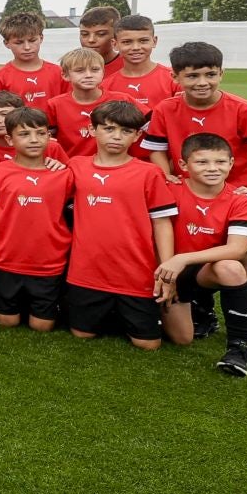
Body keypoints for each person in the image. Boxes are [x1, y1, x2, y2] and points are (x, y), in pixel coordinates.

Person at [142, 42, 247, 350]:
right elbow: (155, 150)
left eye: (210, 74)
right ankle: (201, 311)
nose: (202, 82)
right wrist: (165, 173)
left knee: (242, 255)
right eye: (192, 75)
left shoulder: (241, 108)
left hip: (238, 195)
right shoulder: (167, 109)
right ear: (176, 77)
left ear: (222, 73)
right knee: (191, 245)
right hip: (191, 192)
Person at [63, 101, 178, 351]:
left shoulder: (149, 173)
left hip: (135, 272)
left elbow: (162, 222)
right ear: (92, 130)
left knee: (148, 344)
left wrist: (166, 271)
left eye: (126, 131)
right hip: (86, 272)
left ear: (137, 135)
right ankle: (109, 311)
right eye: (109, 129)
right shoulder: (76, 166)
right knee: (82, 334)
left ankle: (123, 311)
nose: (117, 137)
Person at [156, 133, 247, 376]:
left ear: (231, 163)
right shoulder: (168, 189)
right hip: (165, 270)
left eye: (220, 162)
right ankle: (198, 309)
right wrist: (168, 268)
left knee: (231, 267)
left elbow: (237, 249)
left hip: (199, 270)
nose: (213, 168)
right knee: (182, 338)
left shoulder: (242, 199)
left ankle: (239, 348)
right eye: (202, 162)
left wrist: (182, 258)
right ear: (184, 165)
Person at [0, 107, 72, 332]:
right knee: (6, 321)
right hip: (5, 260)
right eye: (24, 134)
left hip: (49, 263)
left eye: (40, 133)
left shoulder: (65, 175)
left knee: (42, 326)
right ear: (9, 138)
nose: (34, 140)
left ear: (49, 136)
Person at [0, 11, 66, 106]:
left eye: (32, 40)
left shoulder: (59, 73)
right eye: (19, 43)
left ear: (41, 38)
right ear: (6, 43)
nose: (27, 47)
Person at [45, 48, 109, 158]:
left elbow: (147, 126)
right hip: (70, 166)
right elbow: (47, 139)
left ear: (103, 72)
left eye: (95, 69)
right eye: (80, 71)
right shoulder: (55, 105)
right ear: (65, 75)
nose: (88, 75)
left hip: (111, 166)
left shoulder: (121, 100)